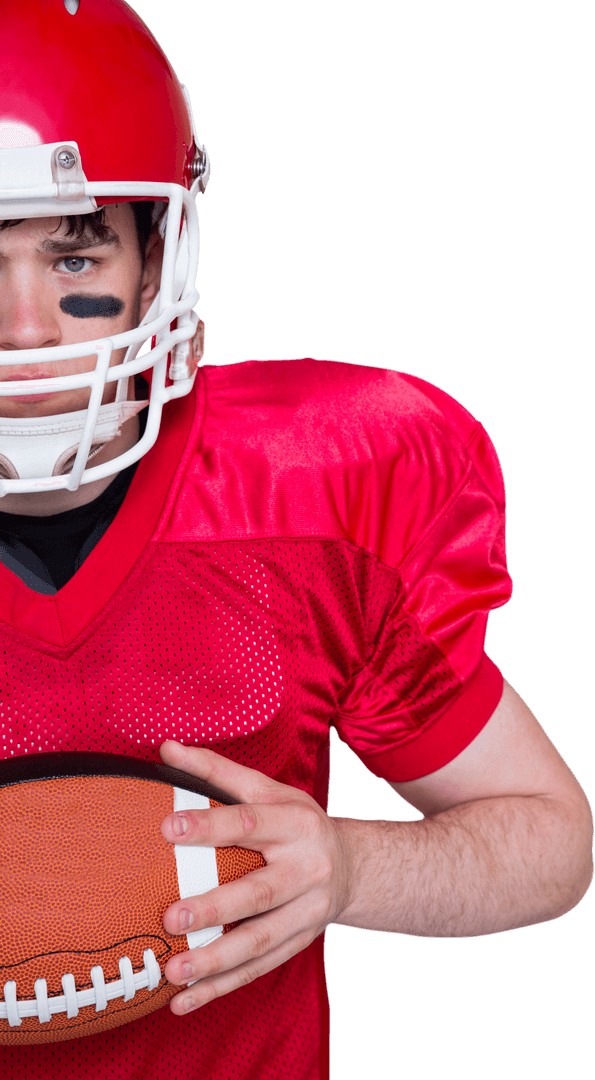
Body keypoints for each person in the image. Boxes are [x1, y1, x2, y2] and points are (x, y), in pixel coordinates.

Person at [0, 2, 591, 1078]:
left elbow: (548, 838)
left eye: (75, 257)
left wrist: (353, 868)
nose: (28, 328)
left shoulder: (308, 496)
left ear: (156, 255)